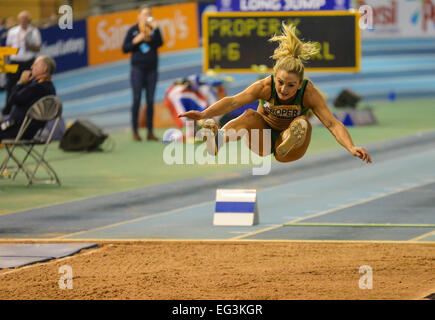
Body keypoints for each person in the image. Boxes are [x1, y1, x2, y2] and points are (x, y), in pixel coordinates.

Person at [178, 23, 372, 164]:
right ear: (274, 77)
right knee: (249, 115)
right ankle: (218, 140)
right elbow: (232, 102)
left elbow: (331, 123)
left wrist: (350, 146)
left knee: (301, 124)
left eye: (290, 85)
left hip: (291, 150)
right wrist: (203, 115)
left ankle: (288, 139)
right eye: (280, 83)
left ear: (299, 84)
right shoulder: (264, 86)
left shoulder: (308, 93)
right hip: (262, 139)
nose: (283, 89)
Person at [122, 5, 163, 142]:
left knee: (150, 101)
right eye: (144, 14)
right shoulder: (133, 30)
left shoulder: (154, 30)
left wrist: (156, 29)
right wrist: (136, 40)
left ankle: (150, 132)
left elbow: (160, 43)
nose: (147, 16)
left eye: (149, 14)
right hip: (138, 70)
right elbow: (125, 48)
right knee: (137, 99)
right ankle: (135, 132)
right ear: (138, 16)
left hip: (152, 70)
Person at [0, 56, 56, 141]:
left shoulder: (37, 87)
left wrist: (20, 83)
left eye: (35, 65)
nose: (31, 67)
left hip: (17, 131)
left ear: (44, 68)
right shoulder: (49, 87)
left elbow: (12, 100)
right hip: (28, 130)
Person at [2, 11, 41, 117]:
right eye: (21, 19)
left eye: (25, 19)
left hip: (28, 62)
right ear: (19, 20)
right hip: (15, 62)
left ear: (28, 20)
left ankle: (28, 108)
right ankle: (8, 110)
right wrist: (6, 65)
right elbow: (8, 49)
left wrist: (30, 46)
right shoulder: (13, 32)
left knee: (29, 86)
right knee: (11, 86)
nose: (23, 21)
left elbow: (38, 47)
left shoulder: (34, 31)